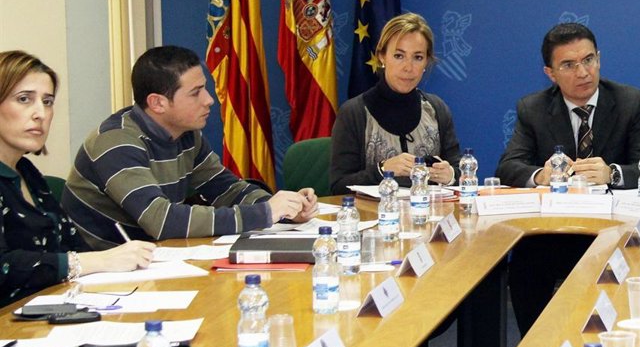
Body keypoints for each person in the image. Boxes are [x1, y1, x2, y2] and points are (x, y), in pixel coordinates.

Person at [62, 46, 319, 249]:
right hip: (100, 274)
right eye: (195, 93)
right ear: (158, 103)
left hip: (152, 262)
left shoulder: (186, 135)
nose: (209, 100)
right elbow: (161, 221)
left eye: (204, 88)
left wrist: (286, 209)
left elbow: (227, 190)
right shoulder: (116, 142)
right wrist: (264, 213)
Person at [496, 22, 640, 334]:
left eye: (588, 60)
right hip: (555, 234)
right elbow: (508, 166)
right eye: (569, 65)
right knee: (525, 263)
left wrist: (612, 173)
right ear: (550, 73)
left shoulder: (630, 101)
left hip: (613, 233)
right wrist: (542, 175)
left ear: (599, 59)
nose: (583, 72)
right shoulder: (533, 108)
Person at [0, 51, 154, 305]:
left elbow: (72, 246)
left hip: (50, 310)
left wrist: (120, 261)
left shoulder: (27, 172)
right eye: (24, 99)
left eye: (47, 101)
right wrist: (98, 261)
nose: (40, 113)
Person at [330, 13, 461, 193]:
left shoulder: (437, 110)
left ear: (426, 62)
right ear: (382, 56)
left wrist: (450, 175)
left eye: (418, 57)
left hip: (428, 210)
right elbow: (338, 186)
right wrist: (382, 170)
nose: (408, 67)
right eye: (399, 56)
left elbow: (461, 173)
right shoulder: (354, 113)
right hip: (374, 211)